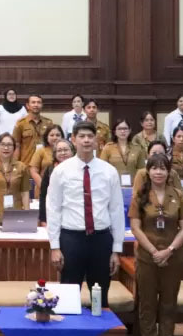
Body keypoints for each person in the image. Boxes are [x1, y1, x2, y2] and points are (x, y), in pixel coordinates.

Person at [46, 121, 125, 301]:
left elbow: (116, 210)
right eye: (81, 136)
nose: (86, 140)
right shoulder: (61, 171)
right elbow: (53, 209)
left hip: (101, 239)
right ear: (73, 140)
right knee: (68, 297)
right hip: (72, 239)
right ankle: (69, 329)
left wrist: (116, 250)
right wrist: (55, 247)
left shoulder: (109, 171)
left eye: (90, 136)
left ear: (96, 140)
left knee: (100, 296)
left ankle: (101, 328)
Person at [129, 153, 183, 336]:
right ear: (148, 171)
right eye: (154, 168)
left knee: (168, 303)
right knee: (147, 303)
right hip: (147, 257)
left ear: (169, 171)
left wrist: (169, 250)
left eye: (162, 168)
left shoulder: (178, 195)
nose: (158, 172)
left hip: (173, 258)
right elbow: (135, 227)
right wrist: (154, 251)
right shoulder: (140, 196)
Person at [37, 139, 75, 227]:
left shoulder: (80, 168)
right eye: (59, 150)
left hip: (74, 216)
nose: (63, 153)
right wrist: (43, 219)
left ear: (73, 152)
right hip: (54, 215)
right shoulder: (50, 170)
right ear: (55, 154)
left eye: (66, 150)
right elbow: (43, 196)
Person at [99, 119, 144, 186]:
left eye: (125, 128)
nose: (123, 131)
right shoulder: (108, 148)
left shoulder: (137, 148)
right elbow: (102, 169)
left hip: (133, 186)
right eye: (119, 129)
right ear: (115, 131)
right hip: (113, 186)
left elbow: (142, 170)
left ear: (130, 130)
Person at [13, 95, 53, 167]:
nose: (36, 105)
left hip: (44, 164)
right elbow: (16, 145)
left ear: (42, 105)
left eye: (38, 102)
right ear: (28, 106)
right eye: (33, 102)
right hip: (26, 164)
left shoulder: (48, 123)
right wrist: (15, 164)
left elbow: (52, 144)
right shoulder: (21, 124)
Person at [30, 125, 65, 199]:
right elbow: (33, 171)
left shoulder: (66, 151)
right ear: (47, 137)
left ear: (62, 136)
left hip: (64, 189)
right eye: (52, 135)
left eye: (58, 135)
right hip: (43, 190)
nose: (55, 137)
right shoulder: (41, 151)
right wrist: (44, 186)